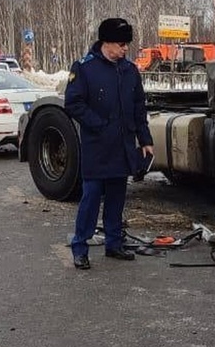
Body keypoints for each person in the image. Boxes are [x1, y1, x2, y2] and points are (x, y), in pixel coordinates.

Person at [65, 17, 154, 270]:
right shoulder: (85, 68)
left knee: (117, 198)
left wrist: (145, 139)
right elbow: (73, 103)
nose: (126, 48)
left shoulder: (129, 71)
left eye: (127, 43)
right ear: (106, 42)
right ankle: (80, 247)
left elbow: (139, 107)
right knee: (91, 198)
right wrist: (99, 124)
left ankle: (114, 244)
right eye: (121, 43)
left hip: (123, 147)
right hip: (97, 147)